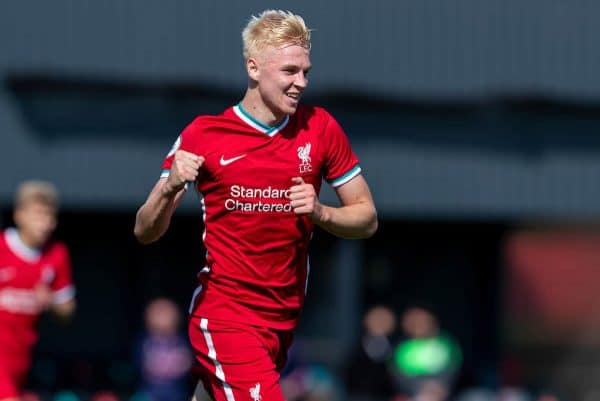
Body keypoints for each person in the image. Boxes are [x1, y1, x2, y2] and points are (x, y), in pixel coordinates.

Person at [134, 9, 378, 401]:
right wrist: (168, 189)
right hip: (225, 315)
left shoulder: (320, 127)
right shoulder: (204, 134)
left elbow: (366, 217)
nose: (301, 83)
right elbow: (144, 231)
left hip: (282, 318)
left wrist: (321, 212)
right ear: (253, 67)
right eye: (289, 71)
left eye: (305, 72)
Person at [0, 180, 76, 401]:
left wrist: (51, 301)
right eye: (38, 215)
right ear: (19, 215)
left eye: (50, 216)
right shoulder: (2, 248)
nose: (45, 223)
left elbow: (67, 312)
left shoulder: (56, 255)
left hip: (21, 358)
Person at [133, 297, 193, 401]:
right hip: (149, 394)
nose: (162, 317)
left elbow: (188, 362)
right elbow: (141, 365)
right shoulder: (144, 342)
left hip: (178, 394)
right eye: (158, 313)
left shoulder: (182, 341)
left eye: (166, 313)